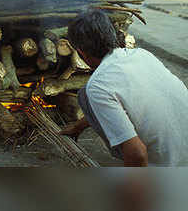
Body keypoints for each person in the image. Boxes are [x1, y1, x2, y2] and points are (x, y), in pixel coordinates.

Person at [60, 9, 188, 166]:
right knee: (87, 96)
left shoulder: (98, 85)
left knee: (85, 94)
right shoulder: (142, 54)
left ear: (81, 52)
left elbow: (137, 155)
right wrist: (78, 126)